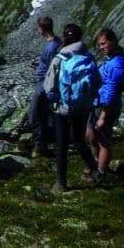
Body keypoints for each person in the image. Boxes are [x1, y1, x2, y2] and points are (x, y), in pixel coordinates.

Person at [43, 23, 98, 192]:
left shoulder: (60, 58)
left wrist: (53, 100)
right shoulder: (88, 57)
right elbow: (96, 81)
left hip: (63, 107)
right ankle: (95, 168)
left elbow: (49, 86)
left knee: (62, 145)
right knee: (79, 139)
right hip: (83, 107)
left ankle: (61, 182)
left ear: (65, 37)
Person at [85, 28, 124, 184]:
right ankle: (96, 165)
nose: (101, 47)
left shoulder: (117, 64)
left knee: (102, 138)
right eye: (99, 44)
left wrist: (103, 115)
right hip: (97, 102)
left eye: (103, 44)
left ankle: (101, 173)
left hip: (107, 107)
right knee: (90, 135)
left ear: (113, 41)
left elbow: (111, 89)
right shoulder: (111, 59)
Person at [28, 16, 61, 158]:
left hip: (44, 85)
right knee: (43, 114)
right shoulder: (56, 42)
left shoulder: (52, 46)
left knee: (35, 114)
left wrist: (44, 88)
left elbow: (52, 69)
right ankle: (43, 144)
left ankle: (39, 146)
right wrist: (38, 64)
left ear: (41, 29)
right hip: (44, 81)